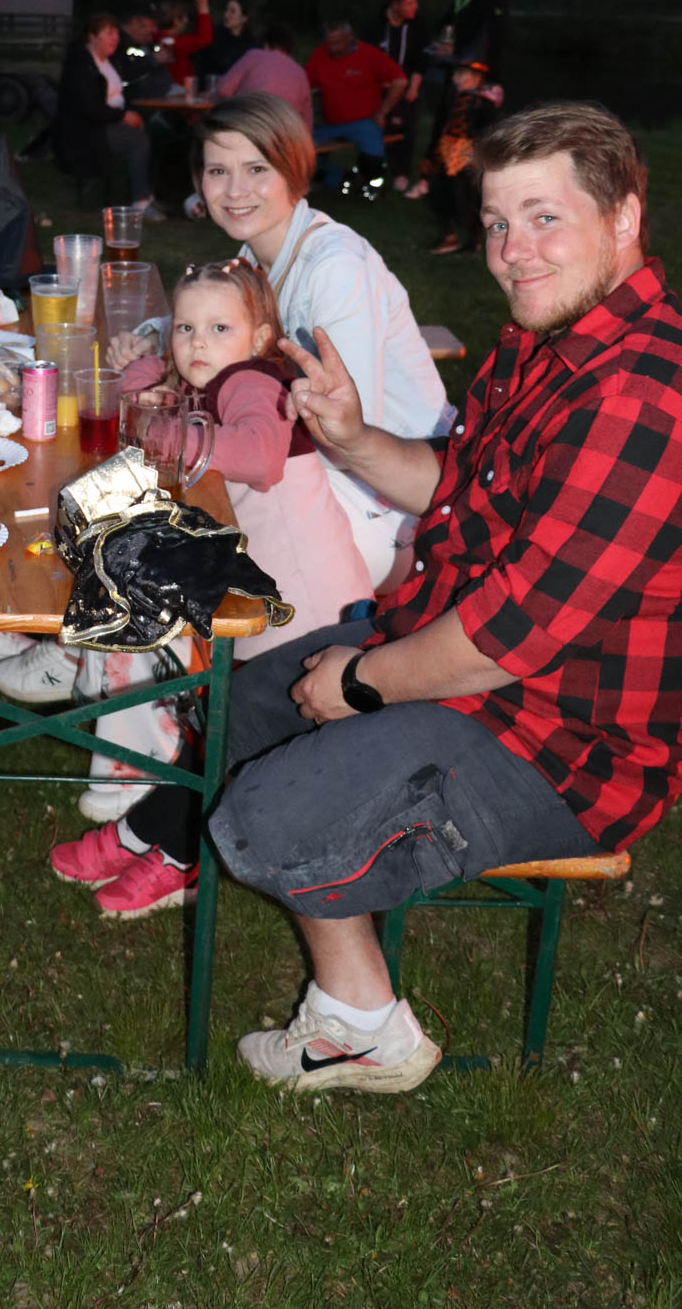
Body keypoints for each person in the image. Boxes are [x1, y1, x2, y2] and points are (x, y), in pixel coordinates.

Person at [203, 100, 682, 1094]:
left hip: (566, 744)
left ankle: (350, 994)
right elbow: (457, 487)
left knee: (266, 814)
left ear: (624, 218)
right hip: (473, 661)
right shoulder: (547, 346)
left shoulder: (642, 394)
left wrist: (361, 684)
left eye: (543, 218)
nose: (511, 251)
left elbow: (512, 635)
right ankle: (359, 1010)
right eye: (498, 222)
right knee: (241, 706)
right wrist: (349, 437)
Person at [47, 257, 373, 918]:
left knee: (235, 736)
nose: (198, 343)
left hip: (311, 612)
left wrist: (155, 424)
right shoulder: (213, 381)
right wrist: (144, 375)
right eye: (185, 328)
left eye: (219, 328)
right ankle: (153, 833)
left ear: (260, 338)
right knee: (223, 730)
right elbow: (157, 411)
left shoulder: (254, 380)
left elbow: (257, 454)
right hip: (267, 599)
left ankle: (175, 851)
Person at [192, 94, 451, 591]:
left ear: (293, 171)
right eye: (218, 171)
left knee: (207, 537)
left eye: (256, 169)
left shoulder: (334, 268)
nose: (235, 190)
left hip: (401, 502)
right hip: (329, 471)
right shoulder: (252, 258)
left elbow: (354, 434)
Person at [406, 0, 510, 201]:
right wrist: (444, 44)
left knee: (472, 133)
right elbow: (450, 24)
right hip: (459, 72)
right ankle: (434, 180)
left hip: (477, 79)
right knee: (444, 125)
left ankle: (470, 189)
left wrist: (461, 53)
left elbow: (491, 40)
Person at [52, 12, 163, 219]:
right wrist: (123, 116)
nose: (115, 38)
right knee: (138, 141)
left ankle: (147, 195)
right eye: (108, 33)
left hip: (107, 121)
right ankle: (140, 202)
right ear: (92, 36)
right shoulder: (81, 66)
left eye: (116, 33)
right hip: (87, 130)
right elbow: (90, 108)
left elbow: (122, 85)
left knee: (153, 133)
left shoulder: (108, 61)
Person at [304, 21, 407, 193]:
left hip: (364, 122)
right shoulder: (319, 56)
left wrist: (382, 111)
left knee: (372, 156)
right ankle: (342, 179)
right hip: (330, 124)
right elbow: (305, 85)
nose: (333, 48)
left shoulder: (369, 55)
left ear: (350, 38)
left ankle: (373, 186)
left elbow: (400, 80)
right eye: (330, 43)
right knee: (301, 151)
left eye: (338, 43)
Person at [427, 60, 496, 255]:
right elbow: (441, 125)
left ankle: (472, 240)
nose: (455, 78)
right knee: (440, 192)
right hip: (447, 150)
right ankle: (448, 236)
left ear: (476, 79)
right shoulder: (451, 98)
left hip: (467, 154)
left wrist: (479, 155)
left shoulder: (483, 103)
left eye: (461, 75)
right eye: (455, 74)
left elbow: (488, 131)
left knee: (465, 196)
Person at [364, 0, 423, 190]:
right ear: (395, 4)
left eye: (415, 2)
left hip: (406, 85)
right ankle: (374, 169)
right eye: (409, 3)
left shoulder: (416, 25)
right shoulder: (376, 26)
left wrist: (414, 84)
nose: (414, 7)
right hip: (381, 87)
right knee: (378, 126)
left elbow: (420, 59)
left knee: (405, 128)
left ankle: (401, 172)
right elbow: (368, 56)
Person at [214, 27, 313, 132]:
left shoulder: (254, 55)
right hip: (284, 134)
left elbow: (223, 89)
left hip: (250, 127)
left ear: (266, 44)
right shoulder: (299, 71)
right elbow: (307, 119)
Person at [194, 0, 258, 89]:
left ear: (244, 18)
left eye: (232, 11)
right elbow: (202, 67)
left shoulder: (251, 45)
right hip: (211, 91)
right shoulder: (214, 37)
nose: (226, 14)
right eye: (226, 10)